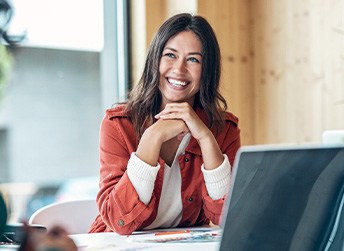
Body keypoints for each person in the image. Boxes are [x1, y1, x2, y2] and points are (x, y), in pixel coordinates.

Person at [89, 13, 241, 235]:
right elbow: (118, 220)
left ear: (206, 71)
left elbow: (228, 217)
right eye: (170, 55)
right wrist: (152, 137)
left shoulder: (224, 129)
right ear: (155, 60)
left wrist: (206, 138)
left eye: (193, 59)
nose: (179, 69)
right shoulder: (118, 125)